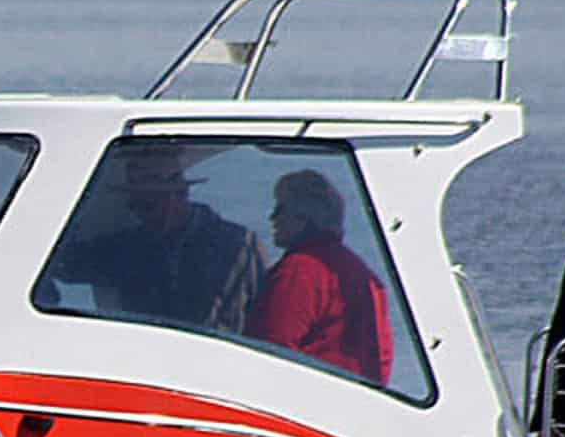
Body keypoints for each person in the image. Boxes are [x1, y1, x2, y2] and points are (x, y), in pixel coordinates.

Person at [45, 151, 265, 331]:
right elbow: (66, 263)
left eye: (147, 206)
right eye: (135, 207)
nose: (141, 215)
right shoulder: (128, 247)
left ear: (180, 194)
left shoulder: (234, 243)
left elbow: (247, 312)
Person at [245, 169, 392, 384]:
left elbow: (270, 350)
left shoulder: (300, 271)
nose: (273, 218)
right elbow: (381, 356)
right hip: (353, 401)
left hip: (304, 400)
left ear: (304, 217)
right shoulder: (358, 271)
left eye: (281, 209)